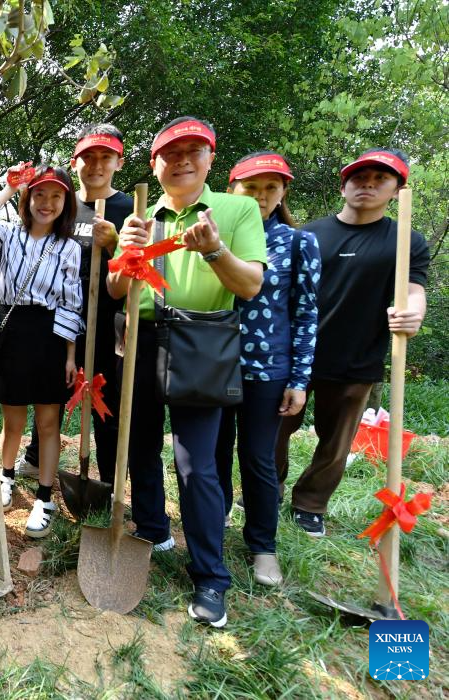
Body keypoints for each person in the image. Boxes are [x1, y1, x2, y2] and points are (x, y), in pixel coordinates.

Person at [108, 117, 266, 627]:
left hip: (202, 340)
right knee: (140, 446)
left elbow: (249, 287)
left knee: (197, 463)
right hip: (141, 338)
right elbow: (114, 290)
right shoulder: (140, 216)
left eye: (193, 151)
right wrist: (126, 255)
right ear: (154, 164)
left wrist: (215, 250)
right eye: (170, 153)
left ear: (210, 159)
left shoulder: (237, 209)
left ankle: (210, 577)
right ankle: (153, 530)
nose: (181, 161)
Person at [274, 148, 430, 536]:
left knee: (336, 439)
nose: (369, 185)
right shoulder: (310, 234)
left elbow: (414, 290)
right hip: (296, 354)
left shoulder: (405, 240)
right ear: (344, 185)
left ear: (396, 189)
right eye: (361, 178)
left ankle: (310, 504)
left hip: (358, 356)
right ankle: (267, 489)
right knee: (274, 428)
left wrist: (412, 312)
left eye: (381, 179)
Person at [213, 152, 321, 586]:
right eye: (251, 188)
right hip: (213, 364)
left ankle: (263, 546)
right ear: (232, 190)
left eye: (271, 188)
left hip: (267, 368)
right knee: (213, 452)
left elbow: (306, 313)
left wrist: (299, 379)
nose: (261, 197)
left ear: (283, 193)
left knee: (257, 458)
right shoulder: (215, 237)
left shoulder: (298, 243)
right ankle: (214, 524)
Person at [16, 124, 133, 484]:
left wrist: (114, 244)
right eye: (88, 157)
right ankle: (36, 457)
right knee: (50, 389)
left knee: (106, 398)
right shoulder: (63, 205)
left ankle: (110, 478)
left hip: (108, 320)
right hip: (59, 318)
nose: (96, 165)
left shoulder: (129, 208)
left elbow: (143, 270)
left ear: (119, 162)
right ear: (75, 160)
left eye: (105, 157)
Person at [0, 166, 83, 539]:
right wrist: (8, 189)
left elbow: (71, 303)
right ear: (28, 199)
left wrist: (70, 356)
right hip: (9, 331)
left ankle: (44, 497)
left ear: (66, 202)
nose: (46, 203)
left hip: (50, 335)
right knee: (13, 419)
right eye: (39, 195)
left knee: (48, 423)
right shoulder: (8, 234)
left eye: (56, 196)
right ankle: (5, 478)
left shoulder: (69, 248)